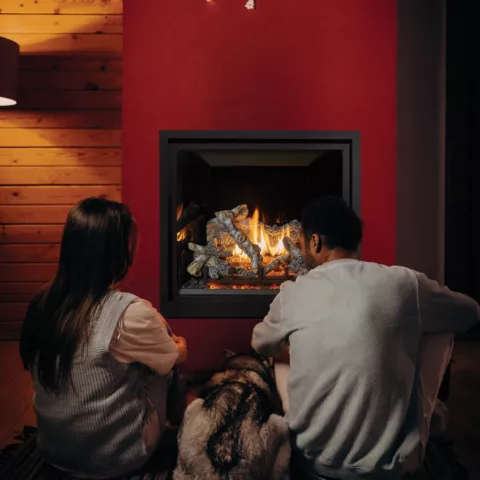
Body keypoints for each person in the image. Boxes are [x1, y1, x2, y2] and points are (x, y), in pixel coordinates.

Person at [251, 196, 480, 479]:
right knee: (441, 324)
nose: (301, 251)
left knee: (278, 353)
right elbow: (469, 313)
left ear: (316, 242)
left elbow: (260, 343)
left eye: (301, 244)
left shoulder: (292, 292)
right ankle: (421, 422)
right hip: (390, 466)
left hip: (311, 461)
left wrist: (302, 348)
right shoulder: (405, 282)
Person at [19, 197, 188, 479]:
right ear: (118, 251)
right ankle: (181, 433)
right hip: (115, 457)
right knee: (166, 369)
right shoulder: (128, 312)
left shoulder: (42, 303)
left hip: (53, 450)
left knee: (130, 359)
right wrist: (178, 346)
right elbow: (174, 356)